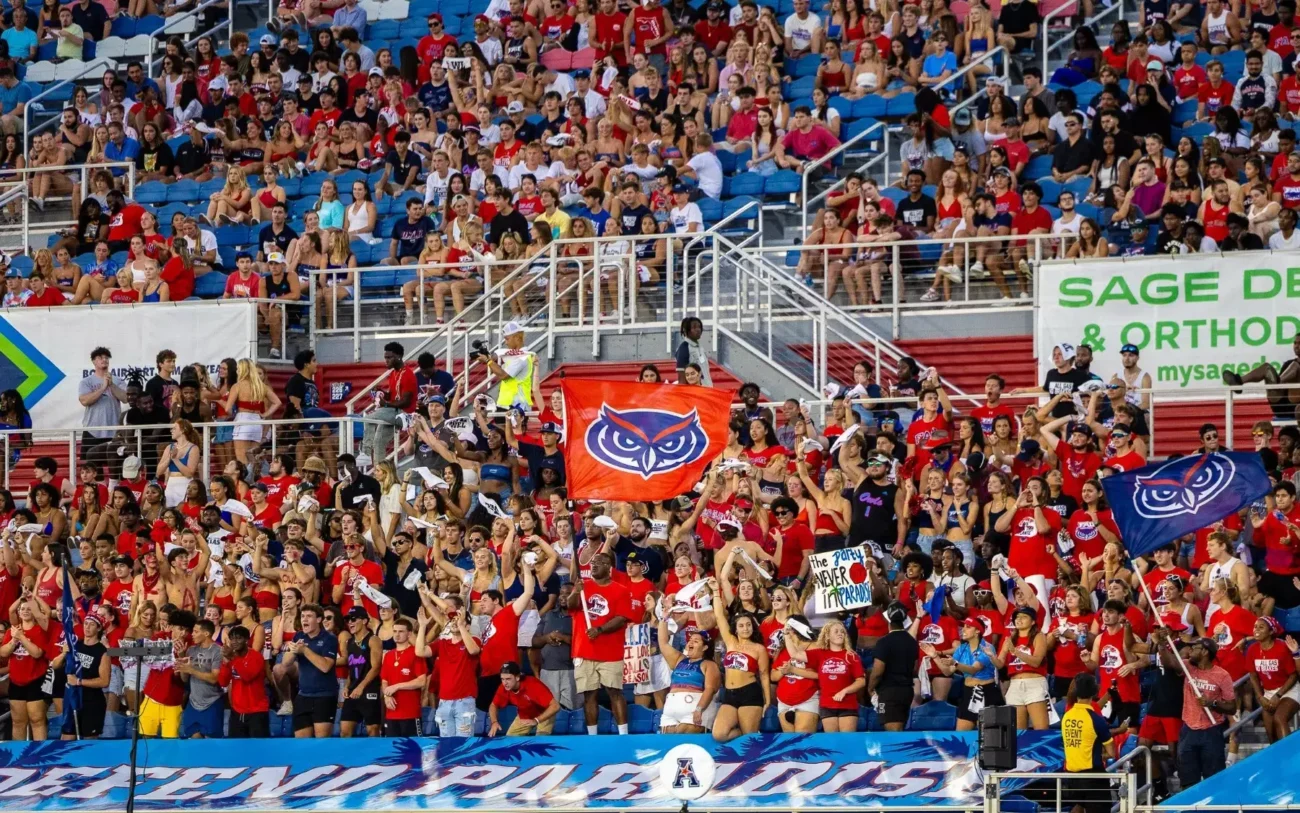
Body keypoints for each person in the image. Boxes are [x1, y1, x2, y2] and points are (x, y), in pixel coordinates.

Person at [567, 552, 631, 735]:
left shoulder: (621, 590)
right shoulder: (583, 586)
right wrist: (576, 591)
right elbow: (571, 606)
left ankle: (623, 734)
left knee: (615, 692)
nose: (593, 566)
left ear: (609, 566)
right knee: (589, 695)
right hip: (584, 650)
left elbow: (621, 618)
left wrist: (600, 630)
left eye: (599, 563)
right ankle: (592, 736)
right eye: (592, 563)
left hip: (610, 651)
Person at [1177, 637, 1237, 788]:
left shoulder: (1222, 675)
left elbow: (1232, 707)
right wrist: (1163, 645)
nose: (1191, 651)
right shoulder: (1188, 667)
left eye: (1195, 648)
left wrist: (1213, 703)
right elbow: (1169, 663)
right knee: (1188, 780)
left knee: (1214, 780)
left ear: (1204, 652)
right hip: (1188, 730)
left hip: (1211, 731)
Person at [281, 603, 339, 738]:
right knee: (301, 743)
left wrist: (305, 650)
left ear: (319, 619)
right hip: (303, 695)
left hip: (324, 696)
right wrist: (293, 651)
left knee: (322, 743)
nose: (304, 620)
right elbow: (285, 663)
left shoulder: (329, 638)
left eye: (309, 616)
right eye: (302, 616)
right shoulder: (299, 636)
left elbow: (325, 667)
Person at [1062, 673, 1116, 813]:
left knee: (1079, 806)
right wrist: (1099, 754)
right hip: (1093, 777)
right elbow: (1111, 753)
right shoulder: (1096, 719)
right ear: (1095, 691)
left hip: (1072, 777)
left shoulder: (1066, 716)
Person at [362, 342, 417, 463]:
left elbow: (405, 402)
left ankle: (365, 453)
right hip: (394, 412)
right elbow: (393, 397)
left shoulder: (408, 374)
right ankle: (381, 473)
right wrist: (381, 392)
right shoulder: (393, 373)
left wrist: (385, 405)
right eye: (385, 357)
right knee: (378, 442)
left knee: (369, 417)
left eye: (389, 357)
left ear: (398, 356)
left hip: (405, 414)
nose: (386, 360)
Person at [868, 601, 918, 732]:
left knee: (893, 733)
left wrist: (870, 687)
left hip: (889, 692)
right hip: (907, 691)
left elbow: (878, 671)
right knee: (899, 729)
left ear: (888, 619)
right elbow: (915, 668)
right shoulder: (912, 642)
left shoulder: (884, 642)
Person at [489, 661, 561, 735]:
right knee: (510, 740)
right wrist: (494, 722)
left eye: (508, 679)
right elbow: (493, 705)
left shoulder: (533, 685)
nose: (505, 683)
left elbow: (555, 706)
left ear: (517, 677)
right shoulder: (503, 687)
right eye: (502, 679)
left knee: (540, 741)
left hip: (544, 713)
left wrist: (536, 720)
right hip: (525, 714)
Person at [486, 321, 539, 410]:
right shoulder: (514, 356)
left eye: (507, 339)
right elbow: (501, 372)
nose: (506, 343)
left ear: (517, 338)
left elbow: (503, 375)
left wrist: (488, 361)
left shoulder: (522, 356)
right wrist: (490, 361)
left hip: (518, 405)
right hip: (505, 403)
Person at [675, 316, 712, 387]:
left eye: (699, 327)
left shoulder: (700, 348)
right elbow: (682, 377)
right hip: (695, 392)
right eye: (694, 327)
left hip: (707, 389)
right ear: (686, 331)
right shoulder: (684, 348)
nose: (698, 329)